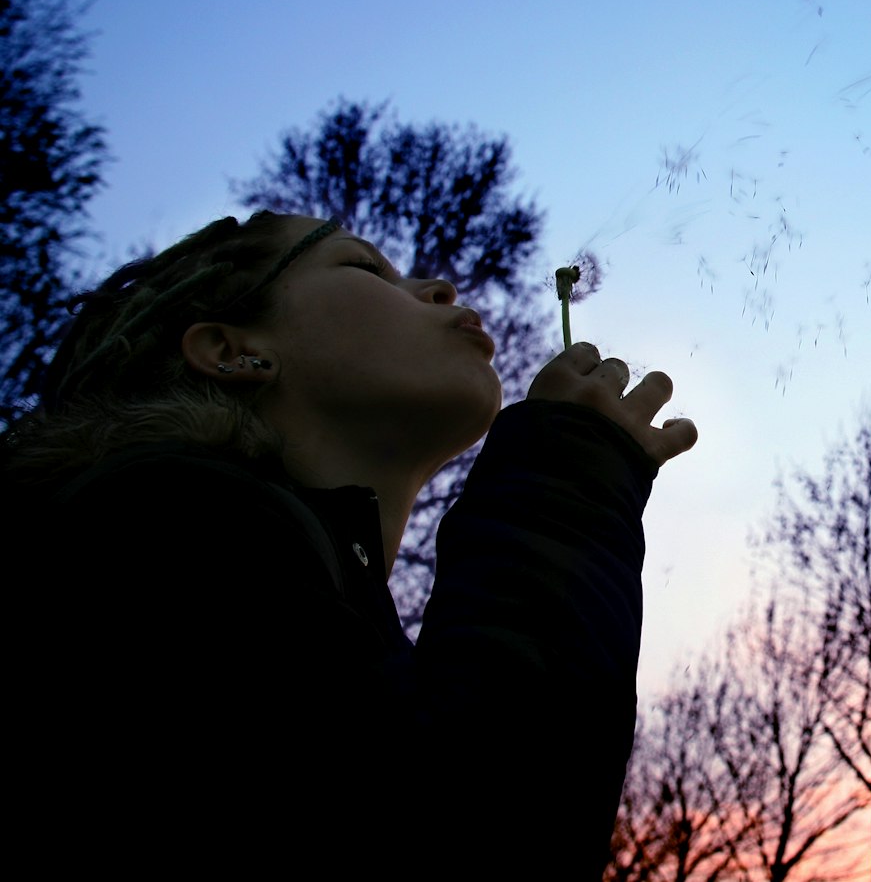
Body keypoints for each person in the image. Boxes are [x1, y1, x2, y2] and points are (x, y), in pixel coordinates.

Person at [3, 211, 696, 874]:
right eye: (365, 267)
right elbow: (458, 836)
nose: (441, 287)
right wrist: (566, 473)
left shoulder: (279, 578)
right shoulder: (147, 534)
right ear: (233, 349)